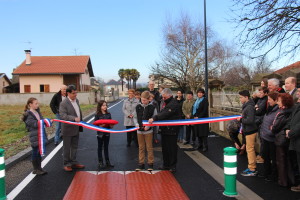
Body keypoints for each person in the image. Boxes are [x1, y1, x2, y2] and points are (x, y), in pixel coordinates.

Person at [148, 88, 180, 172]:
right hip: (165, 129)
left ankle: (173, 166)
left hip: (172, 130)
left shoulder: (173, 103)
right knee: (165, 148)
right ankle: (166, 164)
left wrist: (155, 117)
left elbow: (165, 114)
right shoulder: (165, 103)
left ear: (170, 95)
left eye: (164, 97)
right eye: (162, 97)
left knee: (172, 148)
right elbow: (162, 112)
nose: (163, 99)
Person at [59, 85, 85, 172]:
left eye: (76, 92)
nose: (75, 95)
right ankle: (66, 163)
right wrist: (74, 118)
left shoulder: (76, 100)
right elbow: (63, 116)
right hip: (67, 129)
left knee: (74, 146)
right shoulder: (63, 103)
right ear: (68, 93)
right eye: (73, 93)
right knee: (67, 147)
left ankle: (73, 162)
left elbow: (78, 111)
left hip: (76, 128)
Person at [272, 93, 295, 187]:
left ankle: (283, 181)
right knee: (288, 161)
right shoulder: (292, 111)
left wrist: (272, 127)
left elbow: (275, 127)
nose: (277, 103)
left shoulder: (282, 113)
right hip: (287, 139)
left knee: (281, 161)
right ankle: (291, 180)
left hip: (281, 139)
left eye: (279, 101)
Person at [22, 97, 48, 175]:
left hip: (40, 135)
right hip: (34, 136)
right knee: (35, 152)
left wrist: (47, 121)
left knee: (39, 152)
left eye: (38, 103)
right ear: (30, 104)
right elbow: (35, 124)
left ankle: (39, 168)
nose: (37, 105)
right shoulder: (28, 115)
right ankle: (36, 169)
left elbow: (42, 120)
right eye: (35, 103)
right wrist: (43, 122)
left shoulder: (37, 112)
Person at [259, 92, 279, 181]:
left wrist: (268, 132)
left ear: (275, 100)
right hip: (265, 137)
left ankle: (273, 175)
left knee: (273, 158)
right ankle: (266, 172)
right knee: (265, 156)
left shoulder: (278, 111)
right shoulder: (270, 109)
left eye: (270, 99)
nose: (268, 101)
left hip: (272, 138)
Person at [134, 91, 157, 171]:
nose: (143, 102)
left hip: (148, 131)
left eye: (144, 100)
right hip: (139, 131)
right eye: (142, 100)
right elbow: (134, 117)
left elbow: (154, 118)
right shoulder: (138, 107)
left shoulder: (152, 107)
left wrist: (148, 126)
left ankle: (150, 164)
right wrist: (136, 124)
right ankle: (141, 164)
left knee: (149, 147)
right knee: (141, 147)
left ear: (148, 100)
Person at [238, 90, 258, 176]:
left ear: (246, 97)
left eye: (241, 97)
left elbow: (250, 120)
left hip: (250, 130)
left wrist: (241, 119)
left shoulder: (249, 107)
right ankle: (251, 167)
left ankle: (252, 168)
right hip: (248, 130)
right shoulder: (247, 105)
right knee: (249, 149)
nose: (240, 99)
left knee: (250, 150)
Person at [94, 100, 114, 169]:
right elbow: (95, 125)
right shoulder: (97, 114)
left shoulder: (109, 114)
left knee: (106, 148)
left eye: (105, 105)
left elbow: (111, 124)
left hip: (107, 133)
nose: (105, 106)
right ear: (100, 106)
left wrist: (111, 125)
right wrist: (100, 126)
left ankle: (107, 162)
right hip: (100, 134)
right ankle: (100, 162)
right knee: (100, 148)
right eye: (103, 105)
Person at [286, 95, 300, 192]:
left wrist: (290, 133)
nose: (298, 94)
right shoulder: (297, 106)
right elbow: (291, 120)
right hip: (295, 141)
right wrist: (288, 129)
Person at [255, 87, 269, 163]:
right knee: (260, 139)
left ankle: (262, 156)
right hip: (258, 121)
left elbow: (259, 111)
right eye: (259, 92)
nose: (259, 94)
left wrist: (256, 108)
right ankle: (261, 155)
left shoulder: (265, 99)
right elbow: (256, 108)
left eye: (261, 93)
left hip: (262, 121)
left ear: (265, 93)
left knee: (262, 139)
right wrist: (256, 108)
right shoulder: (260, 99)